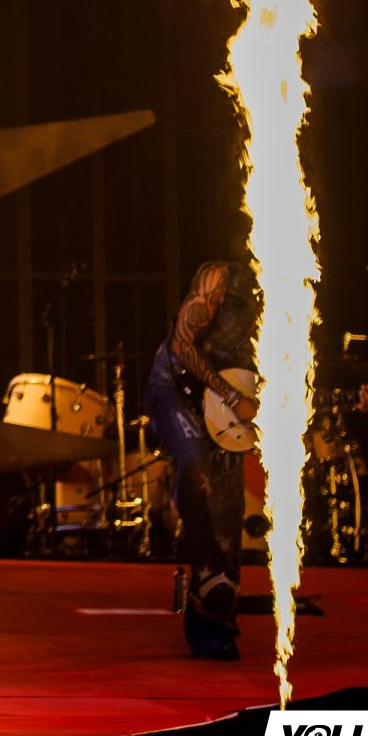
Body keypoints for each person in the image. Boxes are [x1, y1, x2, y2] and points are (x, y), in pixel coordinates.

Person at [142, 259, 259, 659]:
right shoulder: (219, 278)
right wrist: (233, 397)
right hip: (175, 389)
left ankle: (213, 630)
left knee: (227, 512)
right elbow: (181, 345)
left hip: (226, 406)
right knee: (195, 462)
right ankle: (207, 567)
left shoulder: (291, 303)